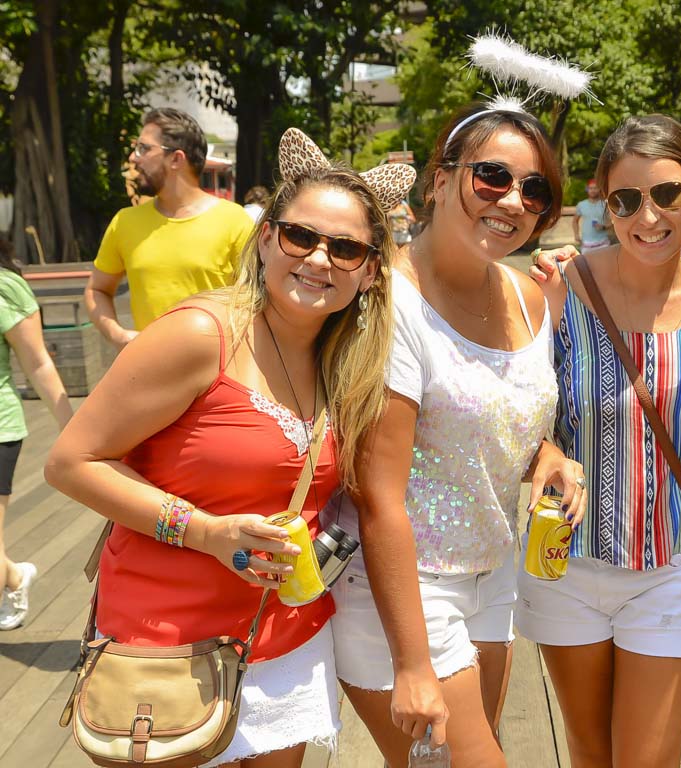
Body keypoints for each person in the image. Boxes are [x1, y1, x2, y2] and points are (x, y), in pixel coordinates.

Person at [46, 128, 405, 767]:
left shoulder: (345, 364)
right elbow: (70, 462)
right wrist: (206, 532)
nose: (319, 259)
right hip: (168, 649)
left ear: (371, 271)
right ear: (265, 238)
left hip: (286, 640)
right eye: (301, 236)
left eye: (346, 248)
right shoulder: (197, 334)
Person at [331, 104, 586, 768]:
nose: (513, 200)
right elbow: (378, 498)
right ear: (440, 180)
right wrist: (412, 663)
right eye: (493, 176)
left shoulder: (528, 298)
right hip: (403, 591)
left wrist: (550, 457)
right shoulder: (389, 302)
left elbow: (508, 418)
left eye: (536, 191)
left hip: (493, 575)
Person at [517, 115, 681, 768]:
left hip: (674, 567)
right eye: (626, 199)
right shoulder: (559, 289)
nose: (649, 215)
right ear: (604, 204)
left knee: (646, 759)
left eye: (667, 194)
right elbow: (519, 413)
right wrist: (546, 452)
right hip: (565, 559)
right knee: (589, 753)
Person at [85, 108, 254, 350]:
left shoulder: (235, 221)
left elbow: (260, 304)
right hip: (150, 376)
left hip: (218, 376)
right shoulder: (124, 222)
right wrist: (117, 335)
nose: (134, 158)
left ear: (176, 159)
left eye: (144, 148)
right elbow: (97, 289)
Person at [0, 238, 72, 631]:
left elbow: (39, 362)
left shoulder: (5, 287)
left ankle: (10, 577)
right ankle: (13, 575)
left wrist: (71, 430)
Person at [573, 178, 611, 253]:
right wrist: (576, 235)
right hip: (587, 244)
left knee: (604, 264)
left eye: (595, 188)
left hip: (603, 243)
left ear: (599, 189)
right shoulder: (581, 205)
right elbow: (575, 221)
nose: (593, 190)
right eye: (590, 188)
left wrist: (604, 227)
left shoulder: (605, 204)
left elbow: (613, 221)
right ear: (587, 189)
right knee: (586, 264)